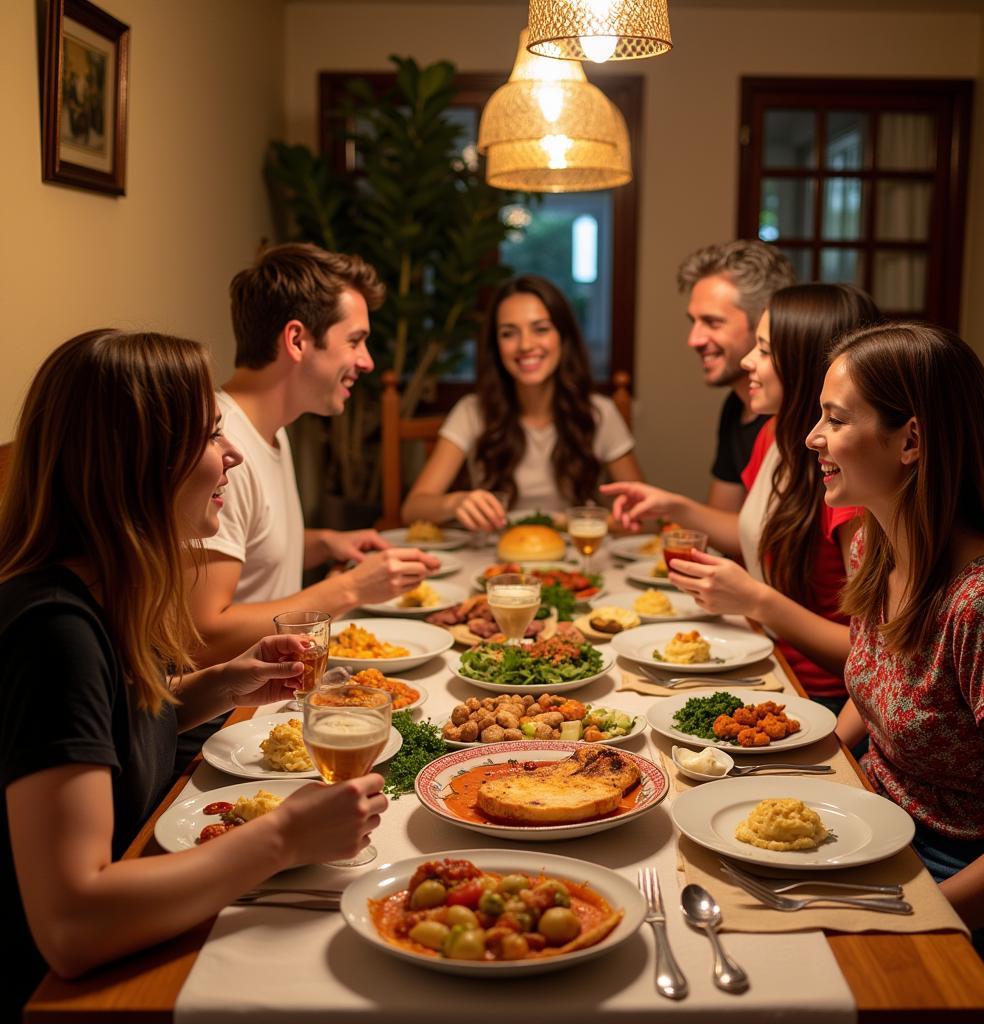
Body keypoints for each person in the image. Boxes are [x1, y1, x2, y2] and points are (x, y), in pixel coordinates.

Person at [0, 330, 387, 1017]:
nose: (232, 453)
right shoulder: (52, 632)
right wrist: (285, 837)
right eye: (210, 437)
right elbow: (71, 925)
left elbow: (102, 734)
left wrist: (216, 687)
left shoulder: (107, 591)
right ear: (141, 463)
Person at [808, 322, 984, 1008]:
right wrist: (807, 757)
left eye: (835, 419)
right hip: (875, 830)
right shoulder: (879, 545)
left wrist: (918, 922)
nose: (813, 436)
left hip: (963, 886)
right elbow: (877, 689)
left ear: (911, 441)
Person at [604, 284, 881, 705]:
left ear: (809, 364)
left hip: (818, 695)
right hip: (761, 661)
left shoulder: (849, 480)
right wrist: (673, 505)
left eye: (765, 351)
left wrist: (755, 600)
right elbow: (758, 532)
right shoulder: (774, 435)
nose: (748, 361)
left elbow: (872, 657)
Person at [189, 243, 438, 668]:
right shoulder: (221, 447)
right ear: (298, 340)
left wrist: (324, 543)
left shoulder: (269, 430)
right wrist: (351, 589)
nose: (367, 362)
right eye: (355, 341)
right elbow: (202, 636)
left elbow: (246, 553)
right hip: (231, 713)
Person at [401, 274, 643, 531]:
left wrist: (566, 522)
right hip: (495, 564)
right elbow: (412, 510)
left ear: (563, 337)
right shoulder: (472, 411)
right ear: (496, 345)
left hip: (576, 562)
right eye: (509, 333)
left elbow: (642, 516)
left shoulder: (599, 413)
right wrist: (455, 503)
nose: (525, 345)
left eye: (541, 329)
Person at [677, 240, 795, 512]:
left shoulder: (796, 418)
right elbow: (725, 519)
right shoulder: (735, 406)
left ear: (766, 321)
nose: (693, 339)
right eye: (693, 322)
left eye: (712, 322)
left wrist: (676, 509)